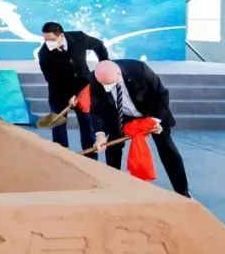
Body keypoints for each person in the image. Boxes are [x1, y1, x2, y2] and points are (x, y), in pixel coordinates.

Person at [89, 59, 191, 198]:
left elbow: (161, 94)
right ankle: (113, 187)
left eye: (111, 83)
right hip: (121, 115)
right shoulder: (95, 78)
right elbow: (96, 108)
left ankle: (182, 191)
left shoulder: (139, 70)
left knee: (166, 147)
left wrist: (157, 121)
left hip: (150, 111)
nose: (108, 87)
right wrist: (100, 135)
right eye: (104, 85)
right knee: (113, 146)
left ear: (118, 73)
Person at [38, 21, 108, 152]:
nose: (48, 43)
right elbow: (52, 80)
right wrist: (69, 96)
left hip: (83, 89)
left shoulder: (79, 38)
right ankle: (62, 155)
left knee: (87, 123)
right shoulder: (44, 55)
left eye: (51, 40)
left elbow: (99, 45)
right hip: (59, 93)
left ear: (61, 35)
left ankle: (90, 156)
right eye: (45, 40)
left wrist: (104, 65)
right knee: (58, 125)